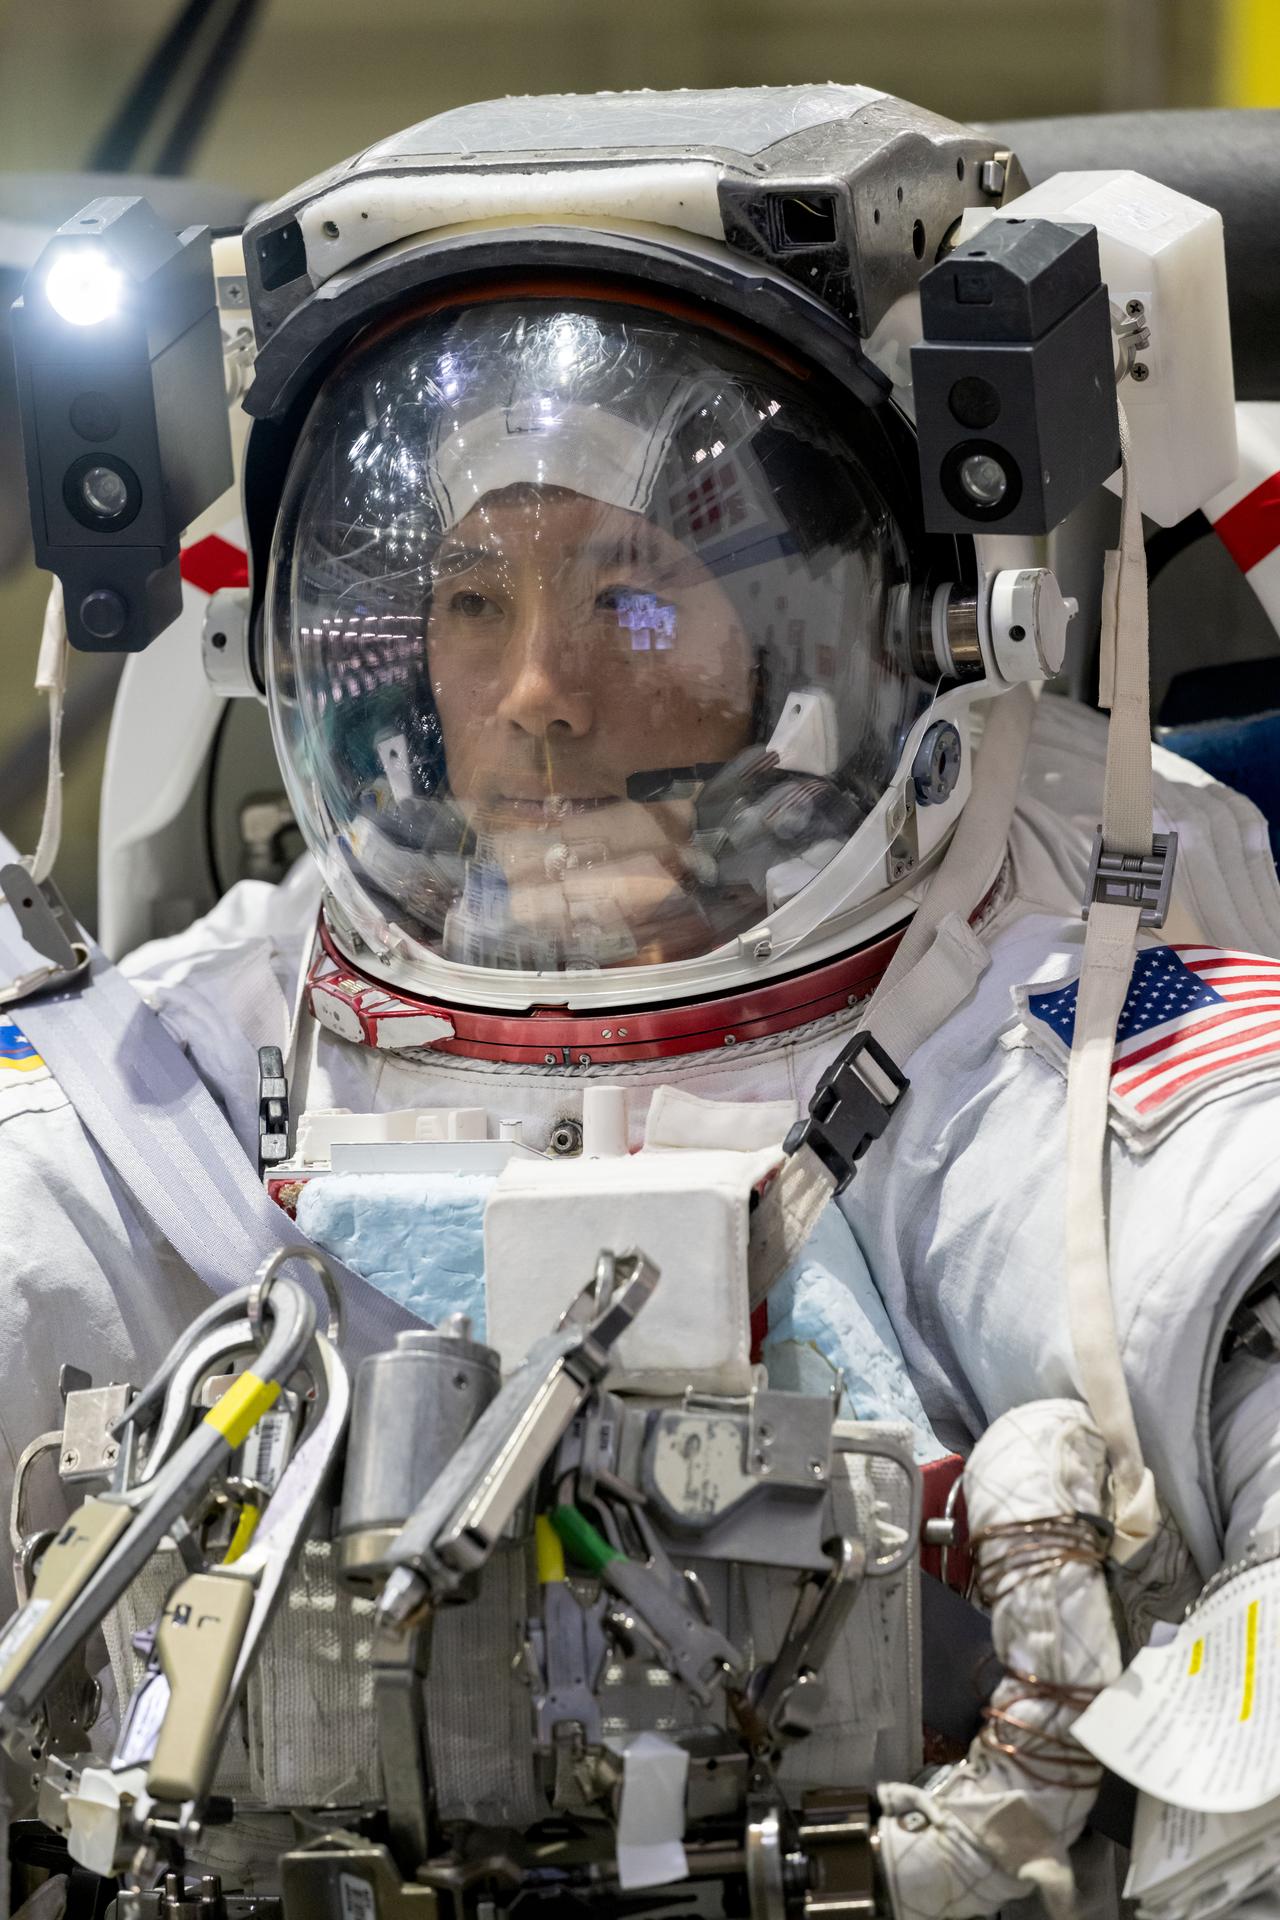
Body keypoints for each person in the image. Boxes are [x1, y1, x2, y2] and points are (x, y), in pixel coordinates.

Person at [3, 80, 1280, 1917]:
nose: (538, 692)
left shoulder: (1030, 1028)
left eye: (632, 599)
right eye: (472, 603)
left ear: (864, 634)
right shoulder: (213, 1063)